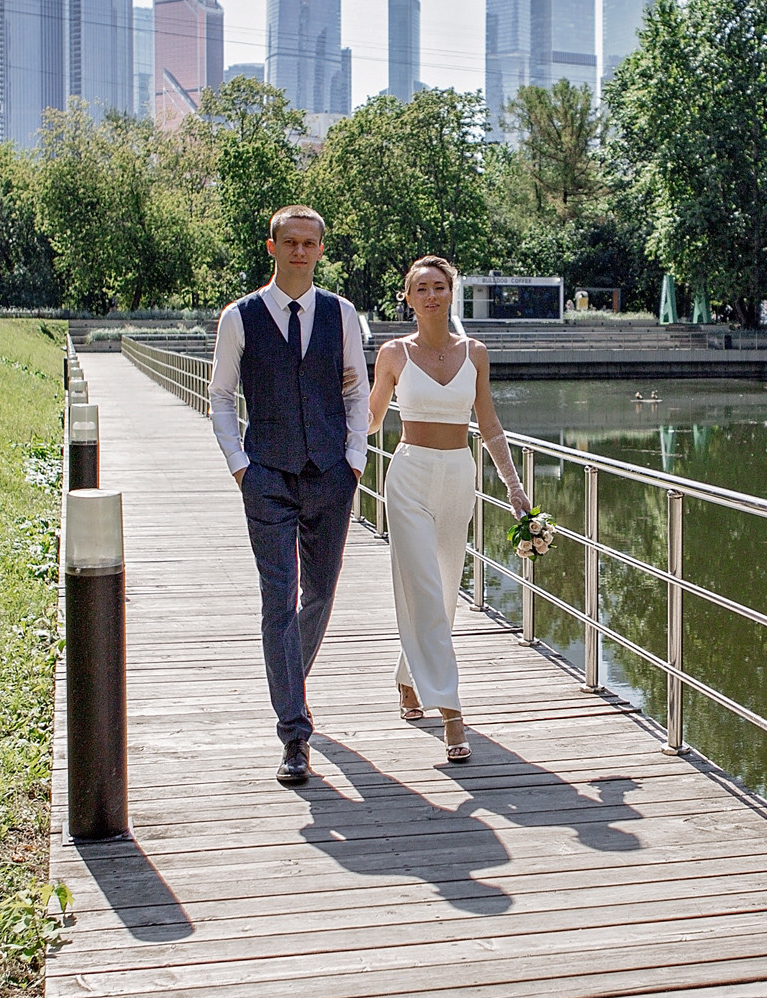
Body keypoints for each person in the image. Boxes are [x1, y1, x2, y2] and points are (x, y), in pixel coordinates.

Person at [208, 206, 369, 787]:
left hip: (331, 472)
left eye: (310, 243)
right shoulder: (241, 317)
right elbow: (221, 396)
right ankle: (294, 735)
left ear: (320, 250)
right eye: (290, 242)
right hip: (267, 475)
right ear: (272, 246)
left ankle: (287, 678)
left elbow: (356, 388)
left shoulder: (342, 314)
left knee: (320, 592)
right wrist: (240, 466)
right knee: (278, 599)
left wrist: (355, 459)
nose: (300, 251)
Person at [365, 255, 530, 764]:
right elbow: (370, 421)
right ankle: (451, 711)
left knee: (443, 586)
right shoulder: (393, 354)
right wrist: (331, 442)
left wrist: (515, 487)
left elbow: (491, 425)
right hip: (409, 475)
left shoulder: (475, 352)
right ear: (408, 297)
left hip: (460, 475)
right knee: (423, 586)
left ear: (451, 293)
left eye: (439, 286)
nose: (431, 295)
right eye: (421, 288)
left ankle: (408, 678)